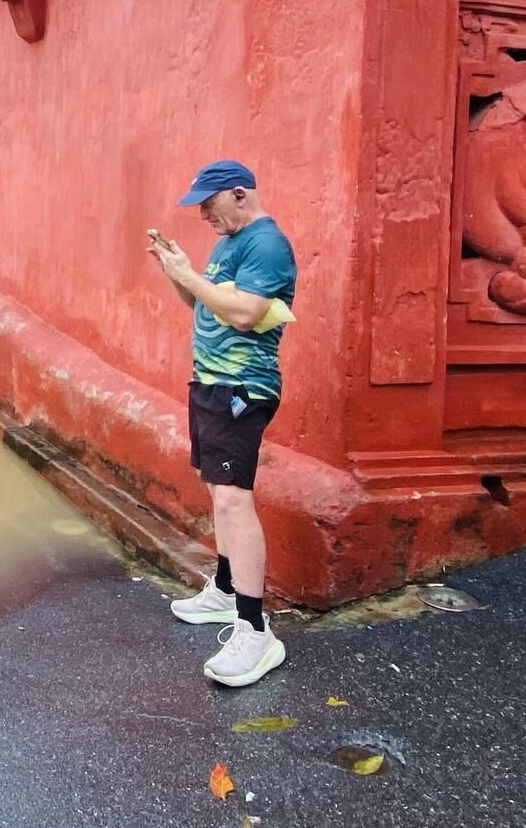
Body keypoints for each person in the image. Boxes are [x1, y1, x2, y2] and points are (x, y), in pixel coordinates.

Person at [146, 159, 296, 688]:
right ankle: (227, 589)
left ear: (238, 194)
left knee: (234, 497)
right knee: (217, 489)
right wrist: (178, 272)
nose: (203, 214)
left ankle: (256, 632)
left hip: (243, 389)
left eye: (208, 204)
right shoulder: (226, 245)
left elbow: (244, 314)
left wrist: (190, 277)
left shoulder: (266, 244)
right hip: (209, 383)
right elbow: (202, 305)